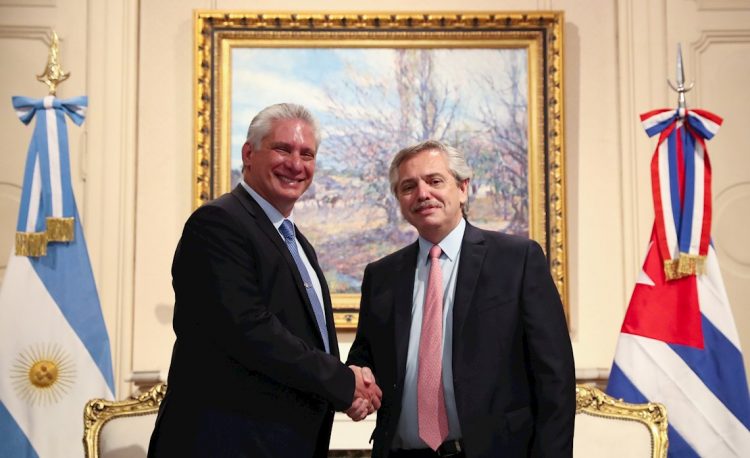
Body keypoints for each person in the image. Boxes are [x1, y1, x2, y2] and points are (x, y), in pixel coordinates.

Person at [148, 103, 381, 458]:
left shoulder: (296, 241)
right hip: (224, 442)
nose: (296, 164)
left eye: (307, 154)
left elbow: (302, 338)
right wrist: (343, 383)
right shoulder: (218, 224)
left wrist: (345, 383)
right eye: (282, 149)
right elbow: (249, 331)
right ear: (248, 153)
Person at [347, 140, 575, 457]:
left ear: (463, 188)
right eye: (408, 186)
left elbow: (555, 380)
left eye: (435, 181)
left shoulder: (517, 260)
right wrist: (359, 379)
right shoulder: (381, 276)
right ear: (400, 200)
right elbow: (365, 356)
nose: (422, 193)